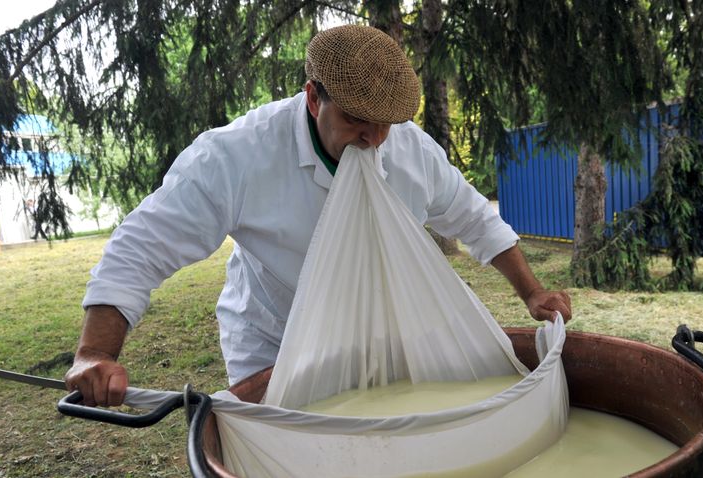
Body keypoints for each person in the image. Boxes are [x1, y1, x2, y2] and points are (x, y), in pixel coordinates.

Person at [65, 25, 572, 407]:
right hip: (275, 337)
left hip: (378, 331)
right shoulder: (238, 156)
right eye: (354, 119)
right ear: (313, 97)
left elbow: (474, 219)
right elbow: (143, 244)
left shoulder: (411, 152)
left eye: (384, 126)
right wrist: (95, 353)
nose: (372, 139)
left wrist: (532, 292)